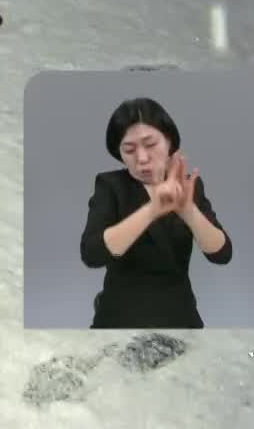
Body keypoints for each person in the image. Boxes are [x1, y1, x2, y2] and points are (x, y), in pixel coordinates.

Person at [78, 97, 231, 328]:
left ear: (170, 142)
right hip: (119, 318)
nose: (141, 158)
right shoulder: (110, 185)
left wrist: (189, 212)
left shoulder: (189, 187)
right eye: (129, 149)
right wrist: (151, 211)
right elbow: (92, 254)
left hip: (180, 316)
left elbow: (222, 254)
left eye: (150, 145)